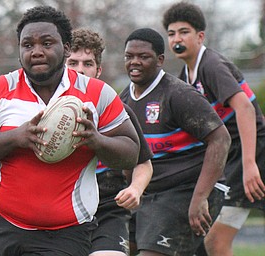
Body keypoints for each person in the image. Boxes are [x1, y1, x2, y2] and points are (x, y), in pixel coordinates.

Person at [0, 6, 140, 256]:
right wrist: (16, 137)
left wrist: (96, 141)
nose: (37, 51)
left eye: (47, 43)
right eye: (27, 45)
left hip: (67, 233)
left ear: (65, 47)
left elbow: (130, 152)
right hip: (4, 225)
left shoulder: (97, 94)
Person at [162, 2, 265, 255]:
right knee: (206, 239)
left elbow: (246, 109)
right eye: (172, 33)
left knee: (215, 241)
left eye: (184, 32)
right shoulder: (186, 75)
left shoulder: (211, 65)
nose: (177, 39)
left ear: (200, 36)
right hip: (231, 158)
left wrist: (250, 164)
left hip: (250, 152)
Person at [120, 28, 231, 256]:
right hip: (150, 193)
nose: (135, 62)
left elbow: (221, 139)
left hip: (188, 189)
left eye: (143, 57)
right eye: (129, 56)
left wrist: (200, 198)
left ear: (160, 60)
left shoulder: (178, 94)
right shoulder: (123, 99)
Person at [67, 28, 153, 256]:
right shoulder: (43, 112)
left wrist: (135, 188)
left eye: (87, 64)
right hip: (62, 214)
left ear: (98, 70)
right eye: (72, 63)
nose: (80, 70)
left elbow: (143, 163)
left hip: (108, 210)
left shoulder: (118, 111)